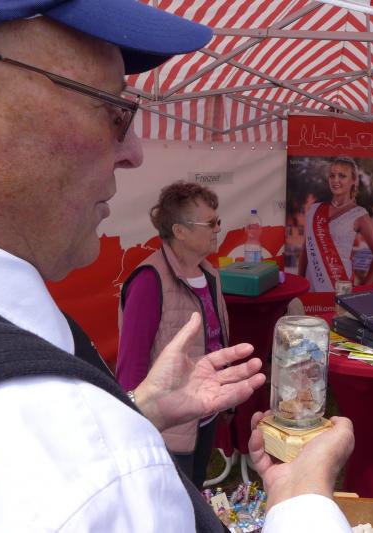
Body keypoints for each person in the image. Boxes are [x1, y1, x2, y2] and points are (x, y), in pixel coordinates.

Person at [0, 1, 354, 531]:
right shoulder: (83, 463)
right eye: (113, 109)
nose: (135, 151)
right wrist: (301, 497)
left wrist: (138, 408)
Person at [117, 181, 229, 489]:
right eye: (211, 223)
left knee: (194, 493)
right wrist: (137, 428)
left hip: (204, 414)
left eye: (218, 220)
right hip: (166, 428)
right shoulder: (149, 281)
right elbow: (131, 367)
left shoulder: (209, 274)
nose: (218, 228)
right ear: (180, 231)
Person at [299, 155, 373, 291]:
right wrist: (300, 284)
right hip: (310, 284)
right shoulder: (314, 209)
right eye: (332, 175)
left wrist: (364, 289)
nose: (335, 180)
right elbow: (306, 248)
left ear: (353, 180)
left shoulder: (359, 214)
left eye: (342, 176)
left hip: (339, 285)